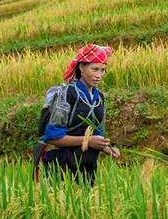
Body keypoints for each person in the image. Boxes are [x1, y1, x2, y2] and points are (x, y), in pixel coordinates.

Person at [42, 44, 120, 185]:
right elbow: (52, 137)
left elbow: (97, 132)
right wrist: (88, 141)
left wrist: (108, 149)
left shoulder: (99, 98)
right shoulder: (67, 94)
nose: (99, 75)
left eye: (103, 70)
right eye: (94, 69)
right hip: (62, 166)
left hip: (87, 166)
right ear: (81, 68)